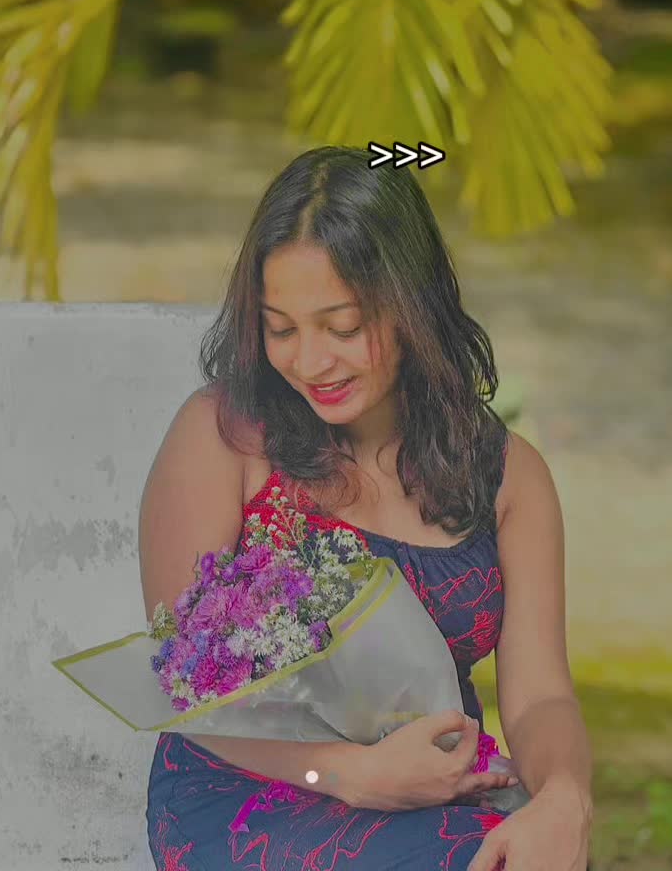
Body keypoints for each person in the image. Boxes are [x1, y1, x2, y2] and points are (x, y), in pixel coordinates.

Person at [140, 146, 593, 871]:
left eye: (343, 327)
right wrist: (346, 773)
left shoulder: (510, 477)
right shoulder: (225, 438)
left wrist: (565, 797)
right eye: (281, 329)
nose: (310, 362)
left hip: (434, 790)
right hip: (248, 796)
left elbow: (539, 695)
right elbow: (182, 683)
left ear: (412, 306)